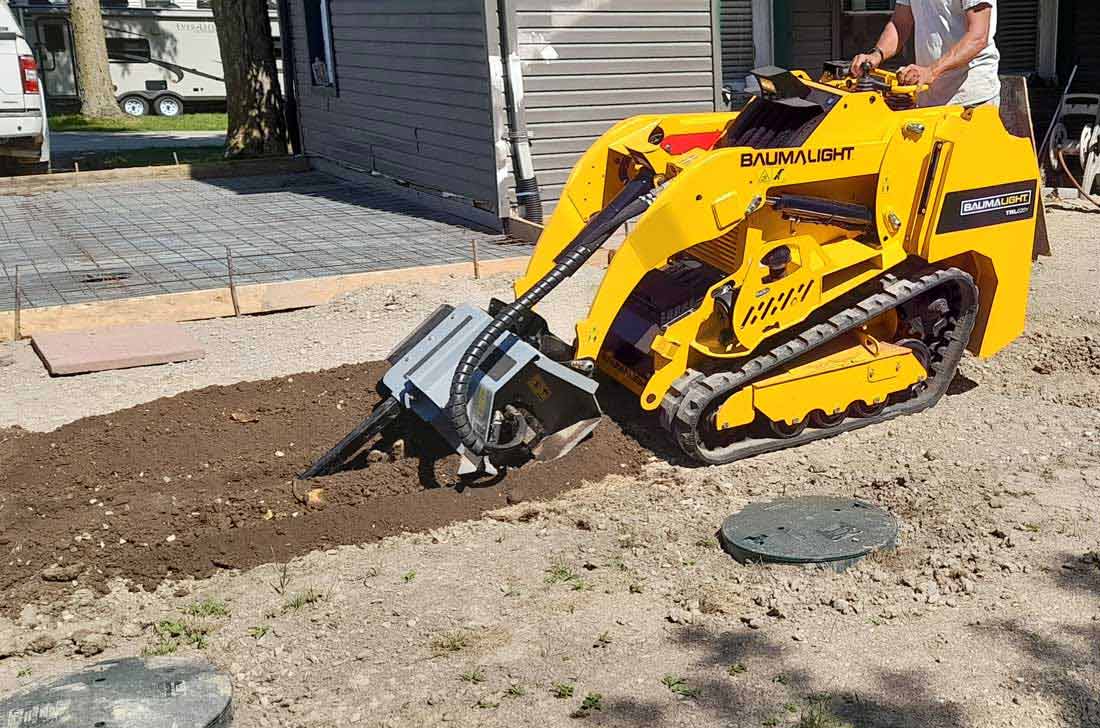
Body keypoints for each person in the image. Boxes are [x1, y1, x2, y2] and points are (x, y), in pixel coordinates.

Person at [851, 0, 1000, 108]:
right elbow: (900, 23)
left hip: (970, 99)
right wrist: (876, 55)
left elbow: (978, 37)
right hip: (928, 97)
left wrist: (931, 71)